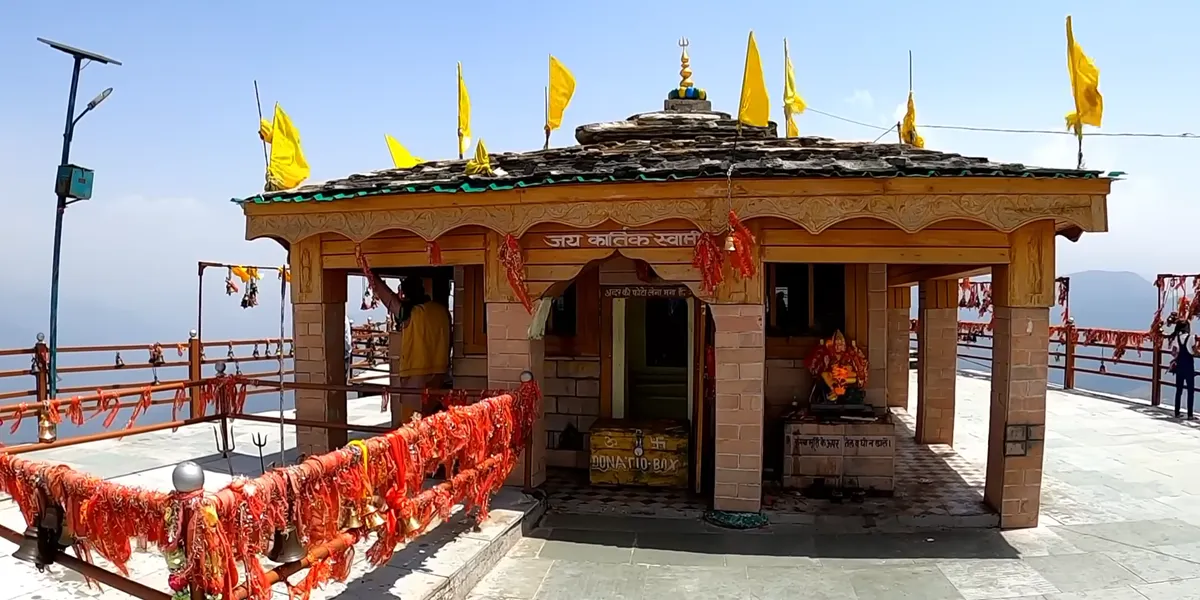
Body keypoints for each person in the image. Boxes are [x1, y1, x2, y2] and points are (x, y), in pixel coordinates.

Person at [366, 273, 451, 426]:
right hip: (440, 373)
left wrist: (371, 277)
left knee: (412, 427)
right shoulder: (442, 311)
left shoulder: (411, 313)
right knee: (434, 424)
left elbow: (389, 300)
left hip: (415, 375)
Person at [1168, 318, 1196, 419]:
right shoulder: (1191, 338)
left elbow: (1173, 352)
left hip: (1179, 366)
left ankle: (1177, 412)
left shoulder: (1176, 338)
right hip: (1189, 366)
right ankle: (1190, 415)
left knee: (1179, 390)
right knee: (1190, 391)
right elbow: (1194, 351)